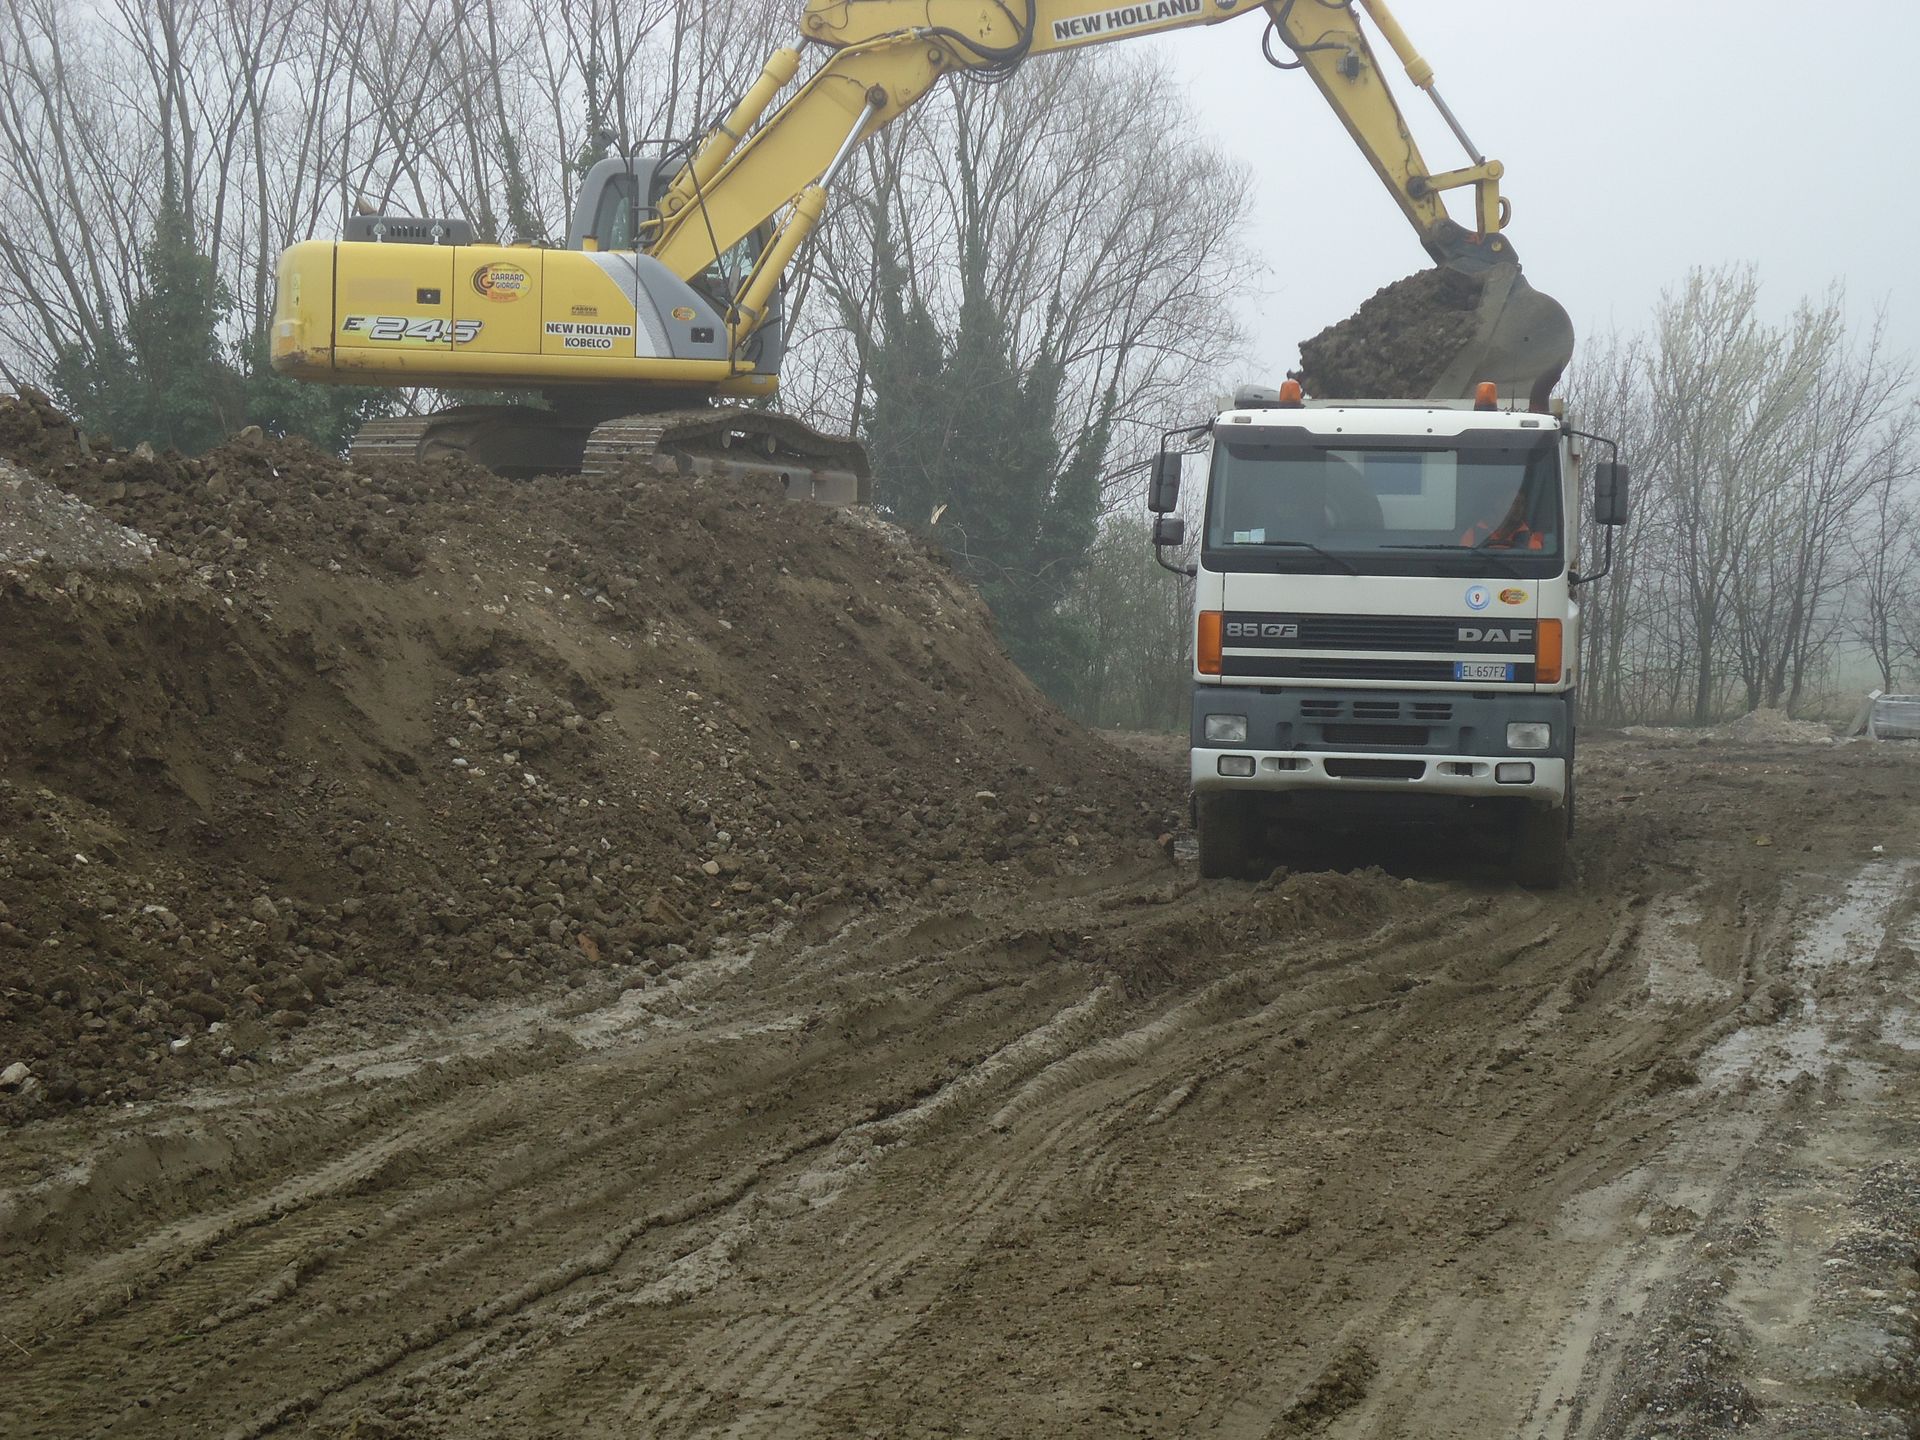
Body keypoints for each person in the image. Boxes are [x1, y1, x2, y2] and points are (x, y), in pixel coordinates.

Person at [1460, 488, 1547, 550]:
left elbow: (1534, 568)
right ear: (1497, 504)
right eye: (1514, 503)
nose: (1519, 508)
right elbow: (1466, 562)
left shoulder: (1530, 538)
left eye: (1522, 504)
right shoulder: (1474, 534)